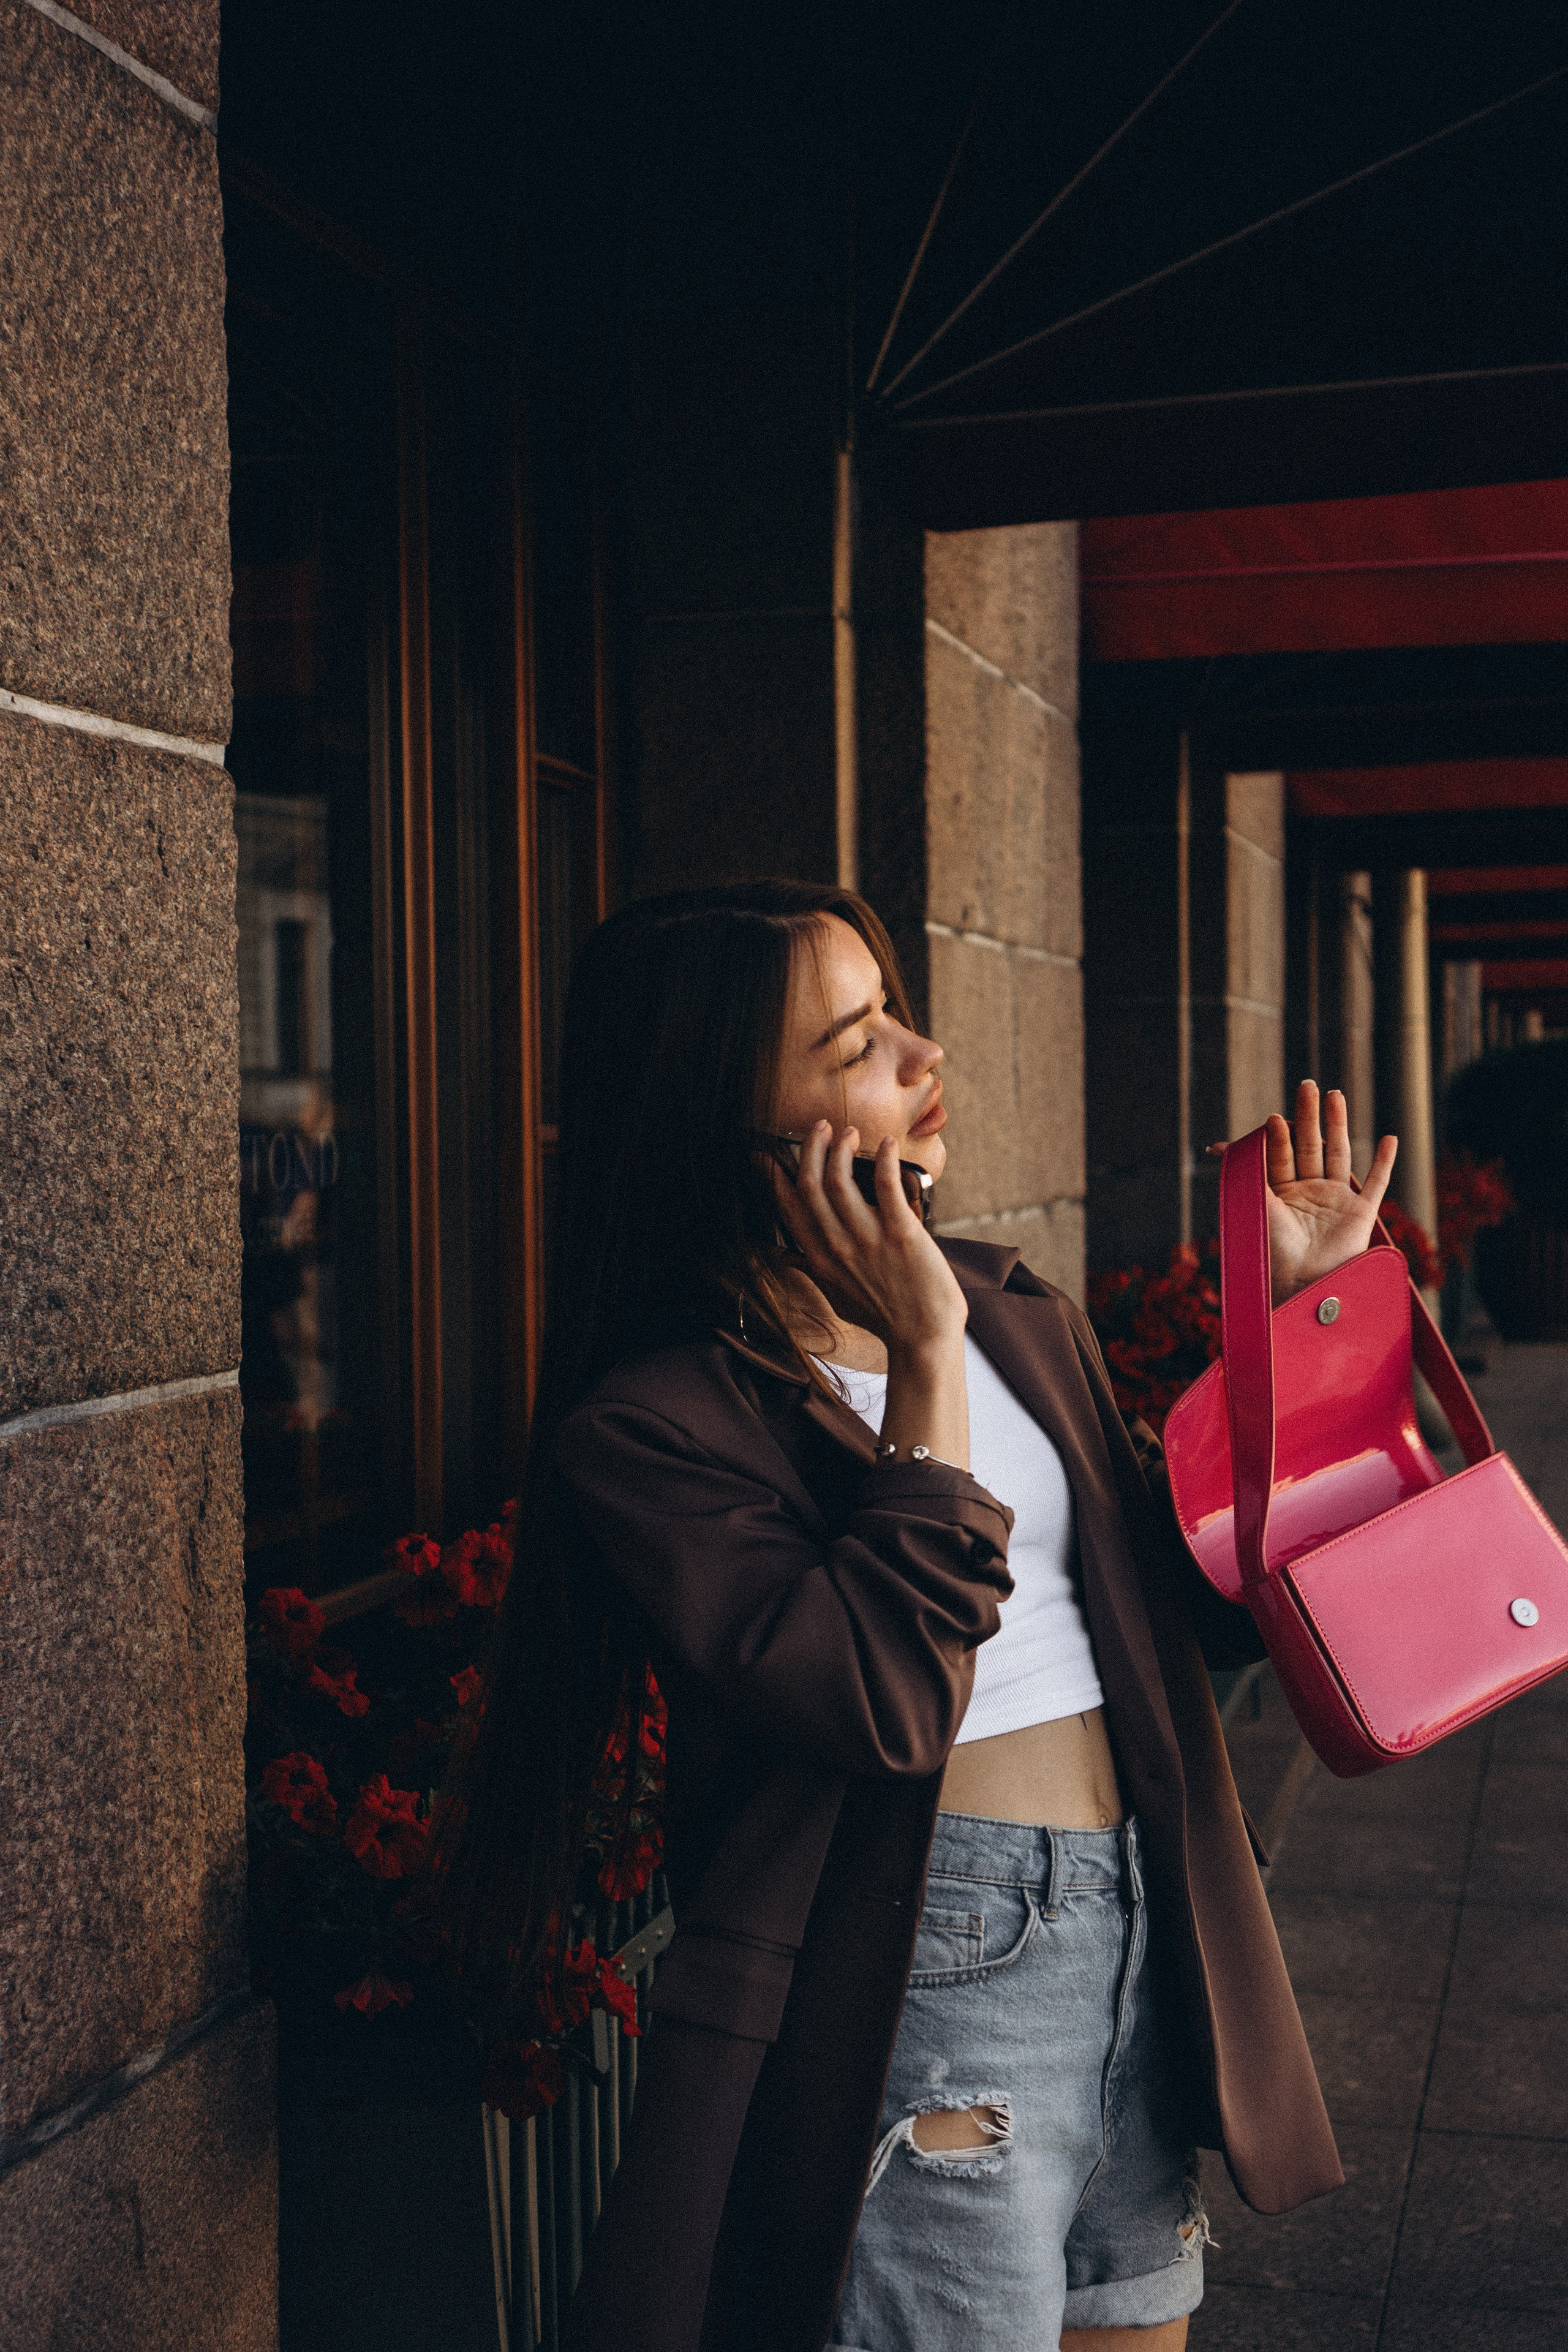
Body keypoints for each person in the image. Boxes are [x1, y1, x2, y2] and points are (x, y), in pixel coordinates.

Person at [434, 879, 1398, 2352]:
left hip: (1142, 1920)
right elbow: (882, 1701)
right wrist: (924, 1360)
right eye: (854, 1042)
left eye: (892, 1008)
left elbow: (1192, 1610)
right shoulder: (657, 1427)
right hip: (928, 1971)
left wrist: (1298, 1327)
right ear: (733, 1122)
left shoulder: (1019, 1313)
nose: (919, 1052)